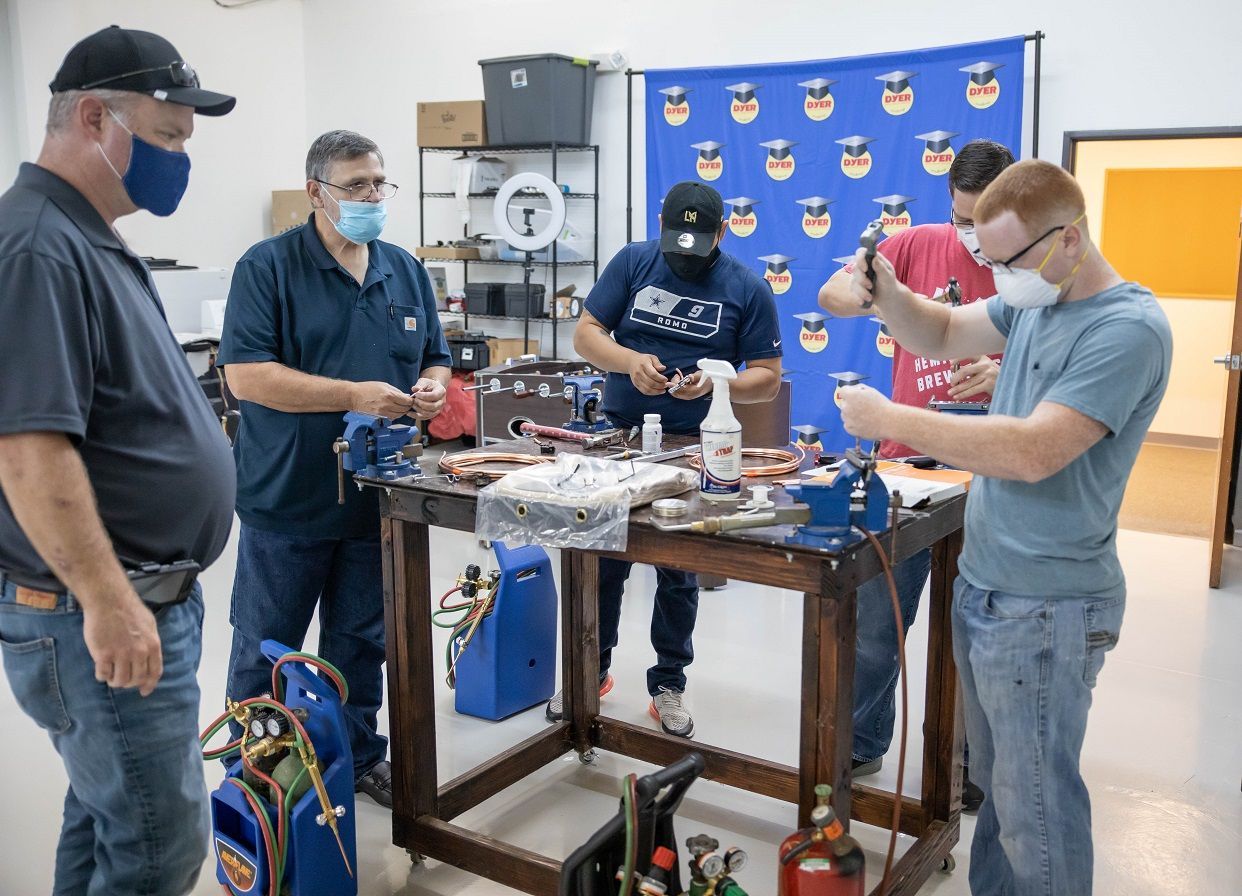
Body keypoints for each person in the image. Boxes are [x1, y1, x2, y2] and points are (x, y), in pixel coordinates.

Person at [837, 159, 1171, 895]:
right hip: (989, 588)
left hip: (1047, 606)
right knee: (996, 795)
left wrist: (889, 420)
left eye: (1008, 261)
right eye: (988, 258)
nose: (997, 275)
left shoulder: (1128, 329)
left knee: (1036, 815)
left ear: (1070, 240)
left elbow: (1031, 451)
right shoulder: (1040, 300)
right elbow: (944, 328)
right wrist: (887, 292)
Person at [0, 26, 235, 895]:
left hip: (140, 595)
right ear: (94, 118)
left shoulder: (85, 233)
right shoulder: (35, 248)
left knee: (109, 821)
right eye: (168, 136)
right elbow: (28, 450)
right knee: (156, 849)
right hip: (99, 609)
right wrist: (109, 603)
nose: (179, 158)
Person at [218, 130, 452, 808]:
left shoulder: (402, 269)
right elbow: (247, 378)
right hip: (287, 499)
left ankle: (353, 758)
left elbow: (433, 354)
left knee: (359, 643)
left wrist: (433, 385)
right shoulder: (267, 268)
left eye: (380, 183)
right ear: (316, 192)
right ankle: (254, 774)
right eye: (356, 187)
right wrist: (352, 394)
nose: (372, 197)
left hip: (375, 495)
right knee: (268, 648)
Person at [818, 139, 1015, 806]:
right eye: (962, 220)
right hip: (911, 467)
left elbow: (1062, 364)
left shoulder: (1035, 270)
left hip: (995, 468)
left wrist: (1003, 369)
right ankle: (863, 743)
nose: (973, 237)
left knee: (978, 632)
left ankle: (964, 766)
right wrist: (866, 284)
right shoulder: (916, 243)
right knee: (878, 620)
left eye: (984, 221)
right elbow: (832, 294)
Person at [552, 181, 783, 737]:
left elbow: (768, 380)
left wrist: (715, 382)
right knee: (601, 562)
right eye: (674, 246)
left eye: (695, 249)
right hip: (618, 440)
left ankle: (669, 683)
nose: (683, 258)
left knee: (677, 570)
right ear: (659, 225)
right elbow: (586, 335)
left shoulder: (746, 288)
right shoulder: (633, 263)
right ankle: (591, 672)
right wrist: (630, 362)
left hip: (695, 448)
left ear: (721, 233)